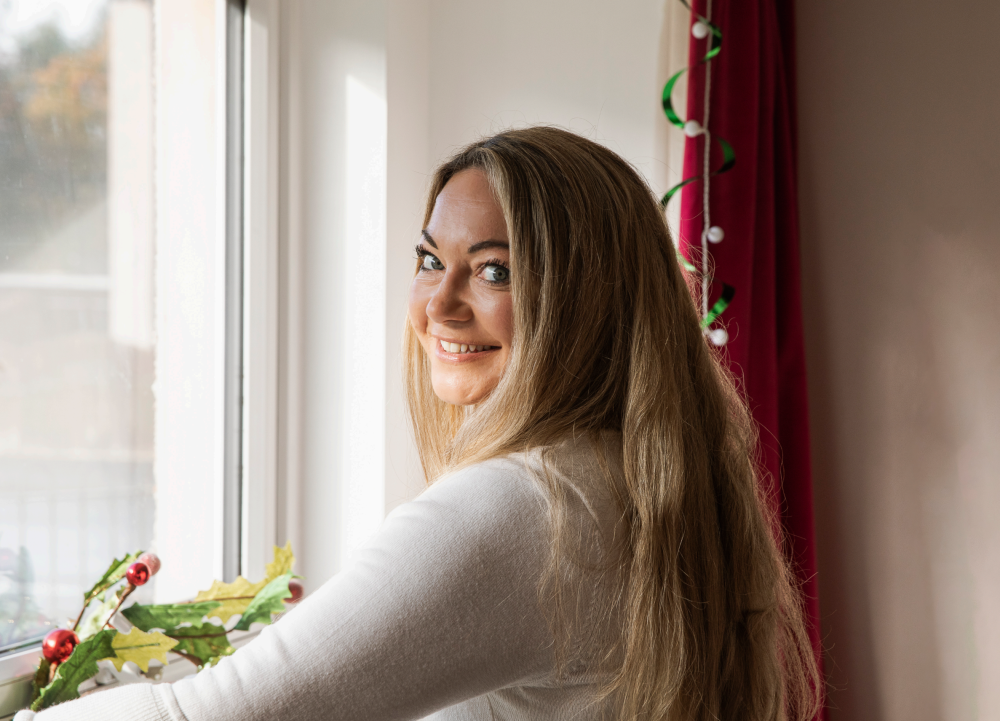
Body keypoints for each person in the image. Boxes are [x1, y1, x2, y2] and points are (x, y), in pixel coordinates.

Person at [20, 127, 820, 721]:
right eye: (432, 258)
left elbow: (209, 718)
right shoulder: (631, 478)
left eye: (495, 270)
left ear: (585, 302)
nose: (439, 304)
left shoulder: (523, 510)